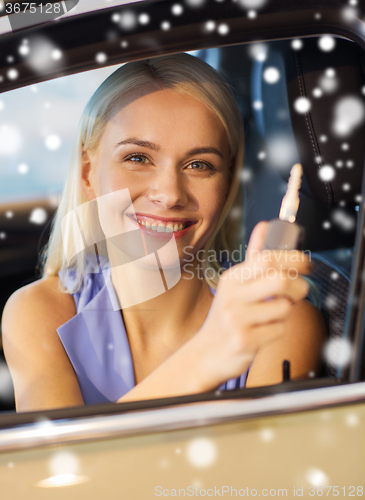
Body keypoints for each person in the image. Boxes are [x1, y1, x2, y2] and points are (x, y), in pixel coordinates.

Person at [1, 53, 327, 412]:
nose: (170, 194)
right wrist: (207, 356)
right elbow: (59, 468)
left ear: (226, 185)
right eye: (138, 158)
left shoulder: (278, 321)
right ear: (87, 174)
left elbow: (265, 469)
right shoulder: (39, 312)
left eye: (199, 165)